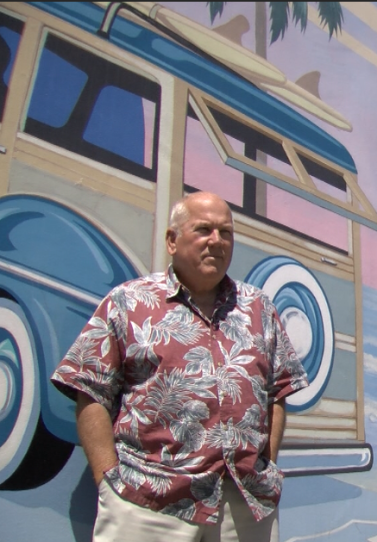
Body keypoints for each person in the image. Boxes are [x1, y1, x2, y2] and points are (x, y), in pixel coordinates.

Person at [51, 191, 309, 542]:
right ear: (172, 240)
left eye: (226, 232)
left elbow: (277, 390)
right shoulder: (129, 302)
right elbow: (89, 391)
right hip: (148, 504)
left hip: (244, 506)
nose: (216, 241)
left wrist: (268, 463)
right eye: (203, 229)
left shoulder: (259, 309)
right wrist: (108, 482)